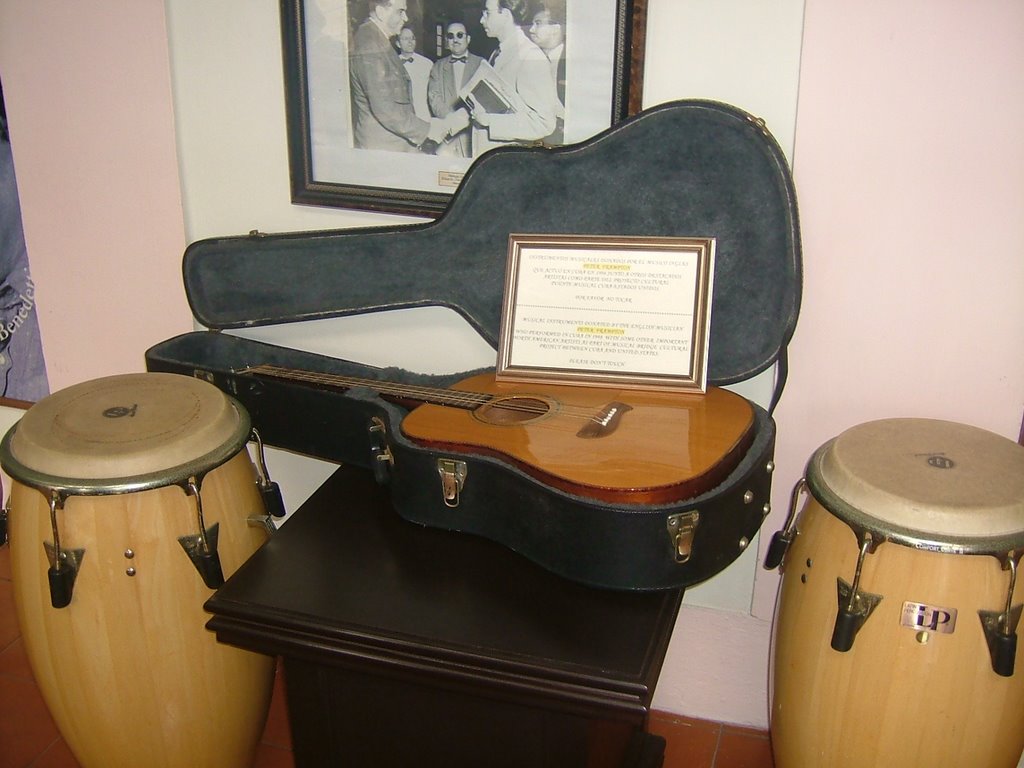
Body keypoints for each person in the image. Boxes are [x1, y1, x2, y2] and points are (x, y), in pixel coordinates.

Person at [349, 0, 450, 152]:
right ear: (381, 12)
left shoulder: (376, 39)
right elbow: (386, 109)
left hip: (392, 142)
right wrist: (428, 130)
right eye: (400, 11)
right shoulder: (369, 44)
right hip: (384, 147)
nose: (406, 18)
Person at [469, 0, 558, 152]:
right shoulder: (497, 52)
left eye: (487, 13)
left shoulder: (530, 56)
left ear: (505, 14)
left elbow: (544, 123)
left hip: (505, 163)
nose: (481, 20)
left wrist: (490, 121)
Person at [427, 21, 484, 157]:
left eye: (459, 35)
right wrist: (452, 121)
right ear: (447, 41)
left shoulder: (481, 64)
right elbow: (434, 98)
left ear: (468, 39)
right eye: (451, 36)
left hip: (472, 134)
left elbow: (484, 99)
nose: (455, 39)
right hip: (447, 136)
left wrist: (466, 119)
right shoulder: (438, 67)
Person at [528, 0, 565, 144]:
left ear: (555, 28)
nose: (531, 29)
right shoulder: (531, 61)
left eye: (538, 23)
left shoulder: (573, 63)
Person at [396, 27, 433, 121]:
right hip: (401, 117)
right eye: (405, 39)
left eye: (412, 38)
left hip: (423, 116)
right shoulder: (392, 64)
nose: (410, 42)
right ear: (398, 44)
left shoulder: (427, 64)